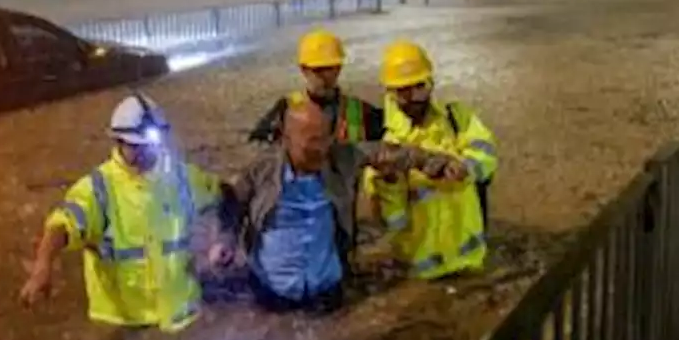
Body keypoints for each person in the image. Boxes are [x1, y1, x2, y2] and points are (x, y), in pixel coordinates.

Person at [212, 101, 468, 313]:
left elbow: (392, 153)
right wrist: (225, 240)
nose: (322, 150)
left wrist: (438, 163)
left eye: (326, 139)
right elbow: (232, 203)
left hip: (328, 295)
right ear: (286, 140)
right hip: (271, 295)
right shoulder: (261, 171)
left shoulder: (342, 157)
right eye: (312, 143)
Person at [19, 92, 223, 332]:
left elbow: (222, 197)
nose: (143, 152)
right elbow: (62, 224)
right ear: (117, 142)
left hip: (182, 315)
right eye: (134, 146)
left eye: (148, 145)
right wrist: (44, 265)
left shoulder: (182, 177)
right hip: (123, 323)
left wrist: (222, 238)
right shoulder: (98, 188)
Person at [372, 40, 498, 279]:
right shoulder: (388, 145)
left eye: (420, 87)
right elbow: (393, 223)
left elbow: (488, 154)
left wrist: (466, 166)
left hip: (471, 262)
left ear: (431, 83)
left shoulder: (457, 118)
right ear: (391, 94)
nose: (414, 98)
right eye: (404, 92)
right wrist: (389, 182)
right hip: (423, 276)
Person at [247, 30, 385, 144]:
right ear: (304, 70)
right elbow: (258, 145)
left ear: (339, 68)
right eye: (318, 70)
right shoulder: (287, 109)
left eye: (329, 69)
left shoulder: (359, 110)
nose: (325, 76)